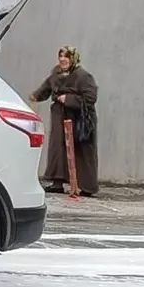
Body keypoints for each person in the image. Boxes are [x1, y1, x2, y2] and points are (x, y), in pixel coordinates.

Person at [29, 46, 100, 197]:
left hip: (79, 118)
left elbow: (90, 98)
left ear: (73, 58)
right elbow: (47, 87)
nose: (62, 59)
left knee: (82, 151)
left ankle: (87, 186)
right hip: (59, 116)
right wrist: (35, 95)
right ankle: (57, 182)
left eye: (66, 56)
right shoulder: (56, 73)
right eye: (60, 56)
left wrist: (68, 99)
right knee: (58, 148)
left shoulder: (83, 76)